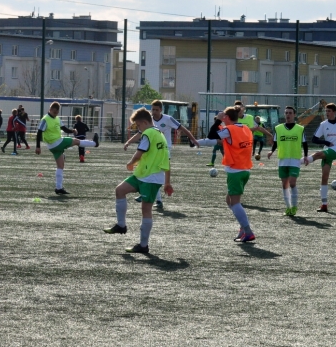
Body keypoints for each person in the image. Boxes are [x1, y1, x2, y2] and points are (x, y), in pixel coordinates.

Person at [103, 108, 173, 254]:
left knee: (146, 210)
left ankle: (143, 245)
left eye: (138, 125)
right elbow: (167, 160)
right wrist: (167, 181)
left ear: (144, 122)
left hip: (151, 178)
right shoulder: (160, 135)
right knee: (120, 190)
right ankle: (121, 225)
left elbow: (139, 153)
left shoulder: (148, 133)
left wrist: (130, 163)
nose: (138, 129)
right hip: (143, 174)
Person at [197, 106, 256, 242]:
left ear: (227, 118)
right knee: (229, 200)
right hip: (245, 169)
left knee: (234, 203)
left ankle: (248, 231)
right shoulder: (245, 128)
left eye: (223, 118)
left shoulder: (229, 129)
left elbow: (211, 135)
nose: (222, 121)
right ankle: (243, 228)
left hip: (235, 170)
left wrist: (217, 121)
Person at [125, 99, 199, 209]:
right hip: (152, 150)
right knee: (150, 171)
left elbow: (182, 128)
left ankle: (155, 195)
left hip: (164, 149)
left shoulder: (168, 119)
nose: (154, 112)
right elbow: (139, 134)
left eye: (156, 109)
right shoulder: (149, 121)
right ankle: (156, 198)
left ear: (161, 110)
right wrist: (128, 142)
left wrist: (193, 139)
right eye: (152, 109)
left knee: (159, 171)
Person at [36, 101, 99, 194]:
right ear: (50, 109)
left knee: (60, 166)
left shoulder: (57, 119)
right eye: (54, 112)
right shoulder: (45, 119)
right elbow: (39, 132)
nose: (55, 113)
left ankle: (58, 188)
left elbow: (64, 129)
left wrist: (72, 130)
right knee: (76, 141)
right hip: (56, 142)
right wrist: (38, 146)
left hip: (53, 146)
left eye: (57, 112)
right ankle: (94, 143)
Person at [267, 106, 308, 216]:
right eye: (286, 113)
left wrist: (306, 156)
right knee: (284, 184)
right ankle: (288, 207)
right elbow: (275, 142)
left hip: (294, 159)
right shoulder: (278, 128)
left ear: (294, 115)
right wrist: (271, 151)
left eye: (290, 113)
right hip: (282, 160)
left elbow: (305, 143)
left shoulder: (300, 128)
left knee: (292, 183)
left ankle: (294, 206)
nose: (288, 115)